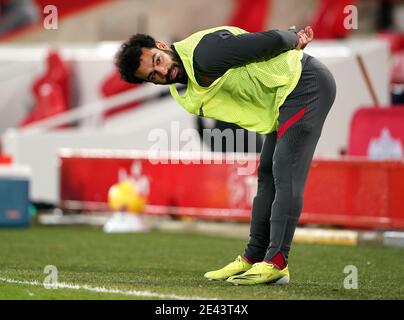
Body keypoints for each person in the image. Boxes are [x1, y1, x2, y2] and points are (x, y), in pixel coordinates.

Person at [115, 25, 336, 285]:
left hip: (305, 84)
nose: (163, 71)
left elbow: (274, 39)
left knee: (284, 171)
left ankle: (277, 263)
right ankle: (252, 259)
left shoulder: (205, 54)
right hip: (283, 97)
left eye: (158, 61)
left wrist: (293, 38)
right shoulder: (186, 82)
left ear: (162, 45)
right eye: (154, 75)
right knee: (267, 175)